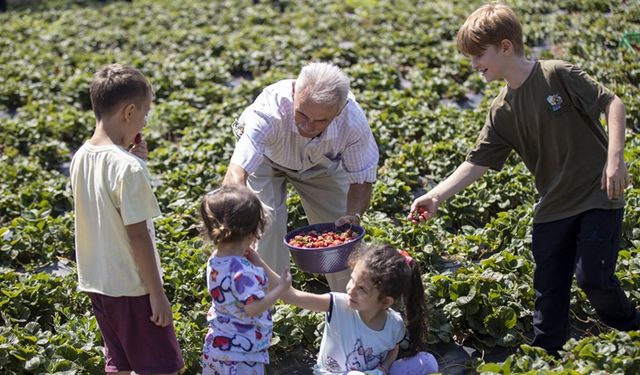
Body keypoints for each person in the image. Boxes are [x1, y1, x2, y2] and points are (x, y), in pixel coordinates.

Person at [409, 3, 640, 355]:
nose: (473, 65)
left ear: (505, 47)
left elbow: (614, 104)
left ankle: (631, 327)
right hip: (553, 206)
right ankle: (547, 354)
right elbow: (477, 162)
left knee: (594, 278)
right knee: (548, 289)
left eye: (477, 55)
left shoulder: (556, 74)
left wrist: (614, 160)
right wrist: (437, 196)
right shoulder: (501, 110)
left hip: (598, 194)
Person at [223, 61, 379, 292]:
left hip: (320, 163)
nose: (307, 126)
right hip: (267, 159)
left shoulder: (352, 121)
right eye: (302, 114)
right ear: (295, 92)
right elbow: (237, 171)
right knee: (265, 224)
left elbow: (362, 179)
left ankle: (350, 304)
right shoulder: (269, 110)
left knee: (341, 232)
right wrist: (241, 209)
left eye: (320, 121)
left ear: (339, 110)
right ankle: (268, 301)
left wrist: (354, 215)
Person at [69, 64, 184, 374]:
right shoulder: (128, 169)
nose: (145, 120)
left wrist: (133, 158)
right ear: (129, 111)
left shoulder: (80, 156)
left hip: (98, 283)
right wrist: (157, 294)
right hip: (133, 287)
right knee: (164, 368)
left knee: (119, 363)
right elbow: (137, 235)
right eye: (145, 112)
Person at [252, 244, 438, 374]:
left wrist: (383, 369)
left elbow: (393, 349)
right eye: (352, 280)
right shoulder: (337, 305)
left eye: (362, 289)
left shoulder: (395, 325)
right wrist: (257, 261)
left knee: (428, 362)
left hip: (373, 373)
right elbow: (291, 296)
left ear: (385, 302)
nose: (350, 289)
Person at [199, 184, 292, 375]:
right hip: (242, 355)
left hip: (216, 346)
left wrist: (257, 262)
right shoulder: (244, 272)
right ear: (254, 231)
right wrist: (280, 289)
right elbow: (253, 308)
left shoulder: (215, 259)